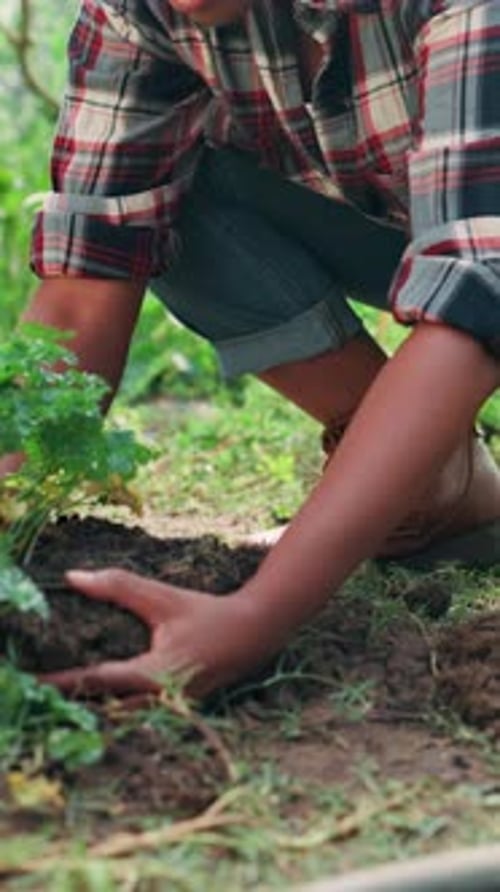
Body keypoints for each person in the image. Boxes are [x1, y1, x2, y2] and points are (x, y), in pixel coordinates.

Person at [4, 0, 500, 697]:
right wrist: (5, 501)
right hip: (433, 220)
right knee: (168, 194)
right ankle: (433, 485)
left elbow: (477, 289)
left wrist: (258, 612)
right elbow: (89, 278)